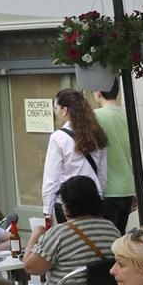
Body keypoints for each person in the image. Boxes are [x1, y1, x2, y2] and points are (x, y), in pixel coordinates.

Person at [14, 174, 114, 285]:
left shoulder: (60, 233)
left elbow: (30, 267)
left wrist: (36, 236)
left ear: (67, 204)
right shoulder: (111, 228)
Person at [43, 87, 108, 221]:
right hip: (93, 199)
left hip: (68, 203)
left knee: (70, 240)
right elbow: (102, 173)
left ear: (64, 110)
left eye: (56, 108)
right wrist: (98, 192)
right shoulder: (97, 133)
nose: (55, 112)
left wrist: (47, 210)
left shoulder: (58, 137)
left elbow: (51, 178)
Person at [93, 78, 137, 232]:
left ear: (98, 92)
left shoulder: (96, 116)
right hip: (127, 186)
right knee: (120, 238)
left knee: (107, 242)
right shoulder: (128, 114)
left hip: (108, 188)